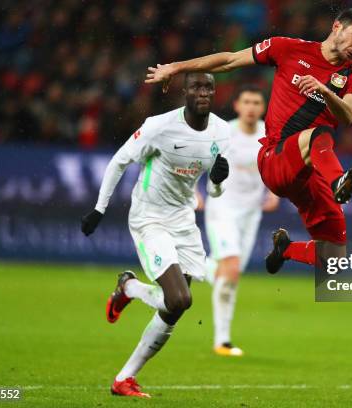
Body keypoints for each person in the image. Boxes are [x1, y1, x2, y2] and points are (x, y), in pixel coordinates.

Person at [145, 8, 352, 274]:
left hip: (310, 172)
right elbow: (229, 60)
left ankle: (285, 249)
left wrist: (324, 91)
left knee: (335, 256)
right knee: (319, 134)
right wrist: (176, 67)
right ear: (337, 26)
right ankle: (339, 183)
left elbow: (348, 114)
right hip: (275, 158)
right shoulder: (288, 48)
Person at [80, 73, 230, 398]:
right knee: (180, 299)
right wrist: (99, 208)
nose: (203, 93)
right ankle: (130, 288)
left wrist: (218, 180)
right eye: (196, 87)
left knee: (174, 307)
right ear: (185, 92)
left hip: (184, 220)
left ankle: (124, 377)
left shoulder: (222, 132)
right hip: (150, 217)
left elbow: (215, 192)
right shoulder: (159, 127)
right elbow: (119, 161)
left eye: (208, 88)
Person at [204, 85, 279, 357]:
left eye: (256, 102)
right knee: (231, 270)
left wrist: (272, 192)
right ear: (237, 105)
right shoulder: (225, 132)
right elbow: (201, 159)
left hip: (251, 212)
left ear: (262, 108)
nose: (250, 107)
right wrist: (194, 192)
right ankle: (221, 340)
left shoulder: (269, 134)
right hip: (222, 207)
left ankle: (193, 264)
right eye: (246, 101)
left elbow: (273, 166)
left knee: (230, 277)